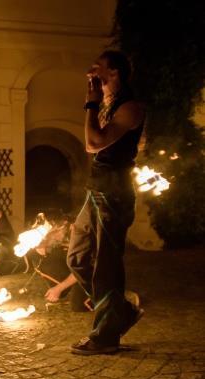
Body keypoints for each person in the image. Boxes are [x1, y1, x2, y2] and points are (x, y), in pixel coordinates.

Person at [67, 50, 145, 355]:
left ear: (114, 74)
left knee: (106, 266)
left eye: (97, 68)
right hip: (96, 190)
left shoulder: (130, 107)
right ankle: (121, 311)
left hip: (113, 193)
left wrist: (91, 102)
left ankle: (106, 335)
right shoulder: (110, 104)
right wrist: (97, 103)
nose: (90, 71)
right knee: (76, 257)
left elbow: (93, 143)